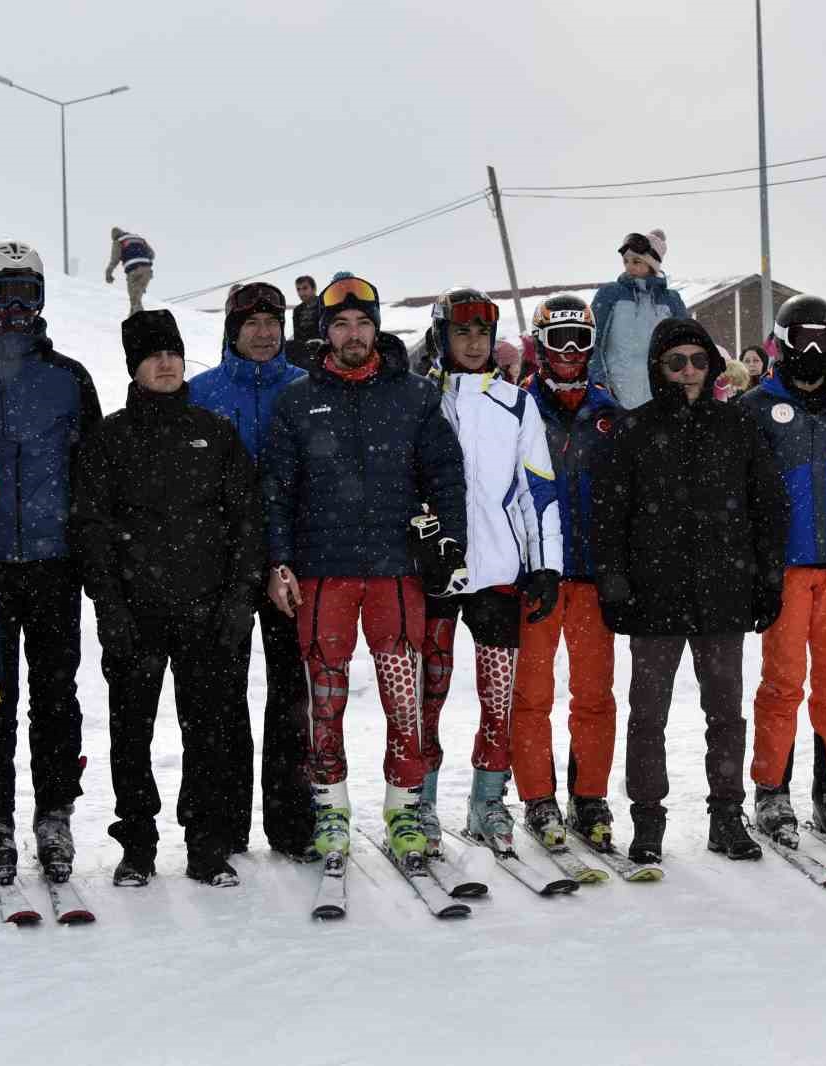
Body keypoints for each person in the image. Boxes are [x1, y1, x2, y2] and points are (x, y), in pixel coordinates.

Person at [261, 275, 467, 866]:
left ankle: (404, 809)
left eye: (363, 323)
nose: (353, 335)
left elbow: (446, 476)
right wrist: (279, 561)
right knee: (325, 697)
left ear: (377, 329)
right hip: (323, 572)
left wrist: (448, 546)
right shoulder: (298, 400)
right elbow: (276, 489)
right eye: (341, 325)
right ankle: (330, 808)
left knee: (403, 699)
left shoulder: (414, 396)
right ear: (325, 334)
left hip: (396, 572)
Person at [71, 309, 263, 888]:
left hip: (208, 613)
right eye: (153, 355)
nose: (165, 363)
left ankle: (205, 844)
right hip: (136, 615)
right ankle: (137, 844)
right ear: (135, 366)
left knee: (207, 734)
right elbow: (92, 528)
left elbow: (246, 524)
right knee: (131, 734)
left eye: (173, 354)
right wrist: (109, 606)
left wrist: (237, 603)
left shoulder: (216, 433)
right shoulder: (109, 437)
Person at [0, 239, 102, 886]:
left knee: (57, 697)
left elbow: (89, 474)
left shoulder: (69, 378)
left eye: (26, 294)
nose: (14, 309)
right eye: (1, 294)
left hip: (54, 565)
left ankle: (54, 813)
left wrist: (91, 554)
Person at [594, 317, 786, 864]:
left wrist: (768, 578)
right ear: (658, 367)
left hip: (723, 593)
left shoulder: (738, 427)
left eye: (698, 361)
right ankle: (648, 820)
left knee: (725, 713)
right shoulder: (633, 430)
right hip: (653, 597)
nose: (687, 372)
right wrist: (614, 582)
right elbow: (610, 517)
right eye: (675, 362)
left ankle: (727, 816)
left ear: (713, 367)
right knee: (647, 714)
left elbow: (768, 507)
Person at [420, 288, 560, 853]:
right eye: (462, 333)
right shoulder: (419, 401)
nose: (474, 344)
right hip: (434, 572)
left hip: (500, 571)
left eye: (483, 333)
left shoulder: (516, 402)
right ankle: (419, 801)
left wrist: (546, 564)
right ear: (441, 336)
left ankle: (487, 801)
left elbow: (537, 490)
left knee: (497, 696)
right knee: (426, 694)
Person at [188, 281, 312, 861]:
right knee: (222, 697)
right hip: (223, 569)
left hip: (294, 565)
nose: (264, 333)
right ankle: (226, 821)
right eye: (252, 323)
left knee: (292, 696)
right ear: (232, 330)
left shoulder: (306, 389)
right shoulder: (201, 393)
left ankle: (292, 821)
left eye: (273, 322)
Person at [743, 295, 826, 848]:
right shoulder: (755, 406)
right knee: (783, 682)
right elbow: (740, 496)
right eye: (801, 338)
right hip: (785, 567)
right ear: (781, 342)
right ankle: (772, 787)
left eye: (822, 337)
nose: (812, 350)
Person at [511, 295, 622, 848]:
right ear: (540, 346)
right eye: (560, 341)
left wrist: (622, 564)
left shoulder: (609, 412)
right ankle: (537, 798)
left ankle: (590, 795)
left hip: (593, 576)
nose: (571, 353)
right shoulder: (518, 407)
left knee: (594, 694)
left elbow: (628, 495)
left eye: (581, 340)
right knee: (532, 693)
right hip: (540, 575)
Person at [589, 229, 687, 409]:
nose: (629, 267)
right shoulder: (610, 294)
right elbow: (592, 343)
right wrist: (601, 385)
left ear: (653, 265)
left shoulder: (671, 300)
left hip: (660, 399)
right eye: (626, 261)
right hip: (616, 399)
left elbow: (686, 345)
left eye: (636, 261)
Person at [105, 227, 155, 315]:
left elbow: (115, 259)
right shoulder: (138, 238)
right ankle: (133, 320)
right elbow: (152, 254)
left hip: (133, 272)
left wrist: (108, 273)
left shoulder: (118, 241)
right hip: (147, 270)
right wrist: (143, 260)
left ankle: (139, 322)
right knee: (136, 299)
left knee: (134, 299)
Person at [289, 275, 323, 369]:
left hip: (321, 350)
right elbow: (297, 335)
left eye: (305, 288)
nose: (301, 292)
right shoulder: (297, 310)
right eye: (298, 289)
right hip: (303, 352)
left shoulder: (324, 305)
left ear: (314, 289)